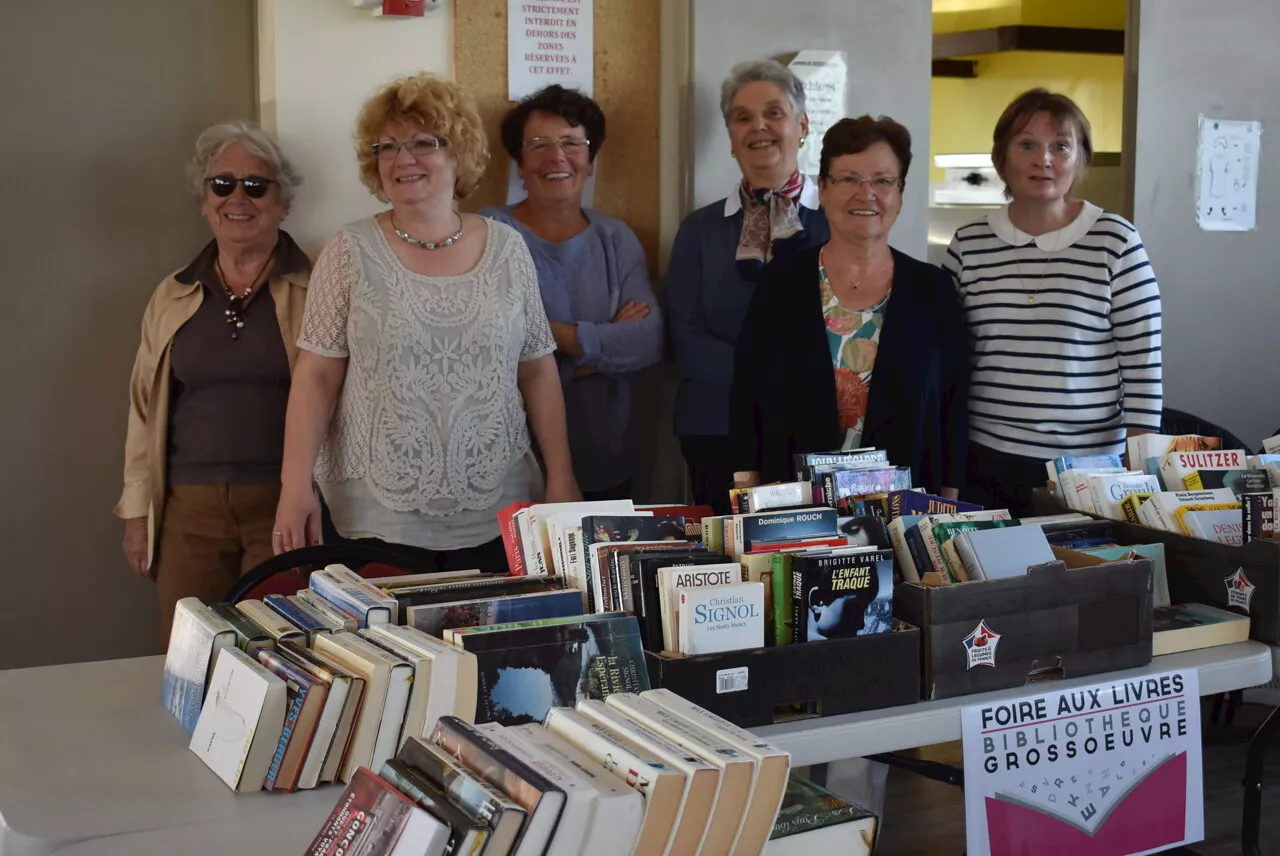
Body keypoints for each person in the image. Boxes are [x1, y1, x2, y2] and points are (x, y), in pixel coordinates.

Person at [273, 73, 580, 572]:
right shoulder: (348, 250)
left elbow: (537, 371)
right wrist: (295, 485)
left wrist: (561, 476)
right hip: (372, 515)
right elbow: (316, 376)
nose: (403, 158)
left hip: (499, 507)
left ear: (458, 153)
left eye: (423, 142)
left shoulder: (508, 248)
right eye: (388, 146)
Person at [116, 121, 310, 647]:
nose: (237, 198)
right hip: (190, 509)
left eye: (256, 185)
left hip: (284, 504)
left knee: (278, 655)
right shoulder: (173, 294)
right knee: (185, 653)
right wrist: (138, 513)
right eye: (221, 184)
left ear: (283, 202)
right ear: (204, 201)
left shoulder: (315, 288)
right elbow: (144, 407)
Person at [945, 89, 1162, 515]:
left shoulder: (1115, 240)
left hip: (1089, 471)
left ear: (1080, 159)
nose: (1042, 159)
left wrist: (1141, 478)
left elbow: (1143, 370)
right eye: (1026, 144)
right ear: (1002, 156)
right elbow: (950, 364)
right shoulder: (968, 244)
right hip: (984, 463)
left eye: (1060, 146)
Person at [729, 116, 969, 497]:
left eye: (882, 180)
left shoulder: (933, 290)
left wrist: (947, 501)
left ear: (900, 192)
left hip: (903, 512)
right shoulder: (781, 281)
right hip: (795, 510)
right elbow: (746, 395)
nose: (866, 193)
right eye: (849, 179)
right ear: (822, 189)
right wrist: (746, 493)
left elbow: (953, 408)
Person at [482, 85, 662, 501]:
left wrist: (546, 343)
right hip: (508, 465)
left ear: (591, 160)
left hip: (606, 459)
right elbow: (488, 350)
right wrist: (596, 352)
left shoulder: (616, 239)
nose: (557, 156)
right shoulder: (491, 234)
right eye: (540, 144)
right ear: (520, 164)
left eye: (571, 143)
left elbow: (647, 342)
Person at [667, 59, 830, 514]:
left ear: (802, 125)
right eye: (742, 117)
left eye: (774, 112)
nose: (758, 125)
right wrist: (772, 381)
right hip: (714, 428)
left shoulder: (839, 220)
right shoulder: (699, 230)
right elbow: (687, 338)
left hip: (811, 431)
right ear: (732, 138)